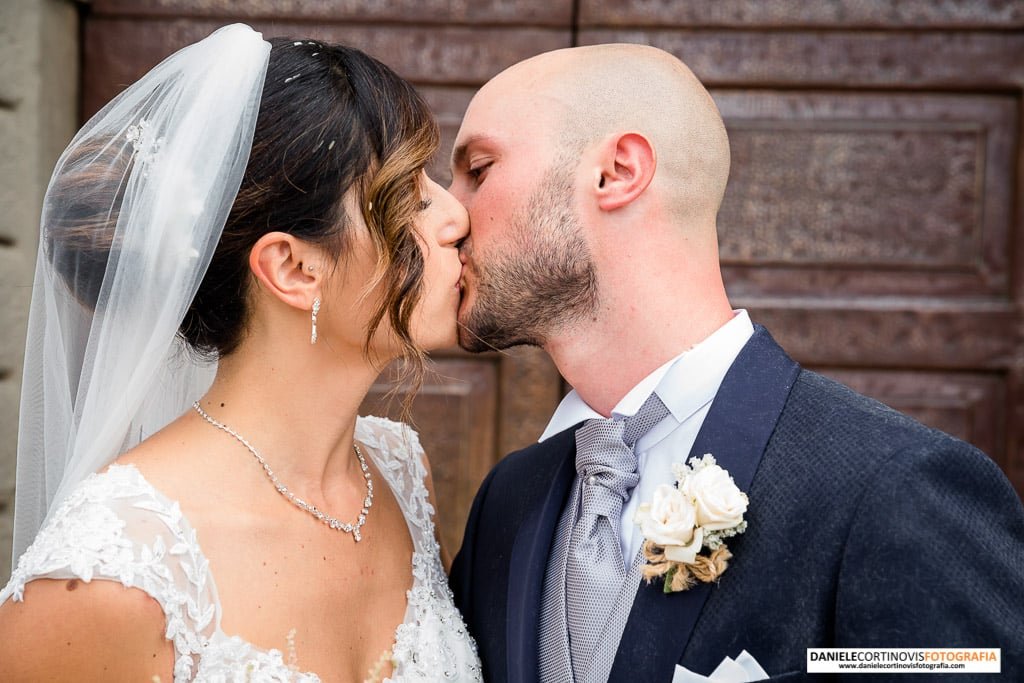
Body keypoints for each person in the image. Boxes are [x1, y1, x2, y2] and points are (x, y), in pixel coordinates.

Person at [447, 43, 1024, 682]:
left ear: (616, 173)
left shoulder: (896, 488)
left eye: (478, 169)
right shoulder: (507, 502)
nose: (448, 215)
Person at [0, 25, 481, 682]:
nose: (455, 217)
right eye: (408, 197)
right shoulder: (109, 577)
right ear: (293, 267)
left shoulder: (400, 474)